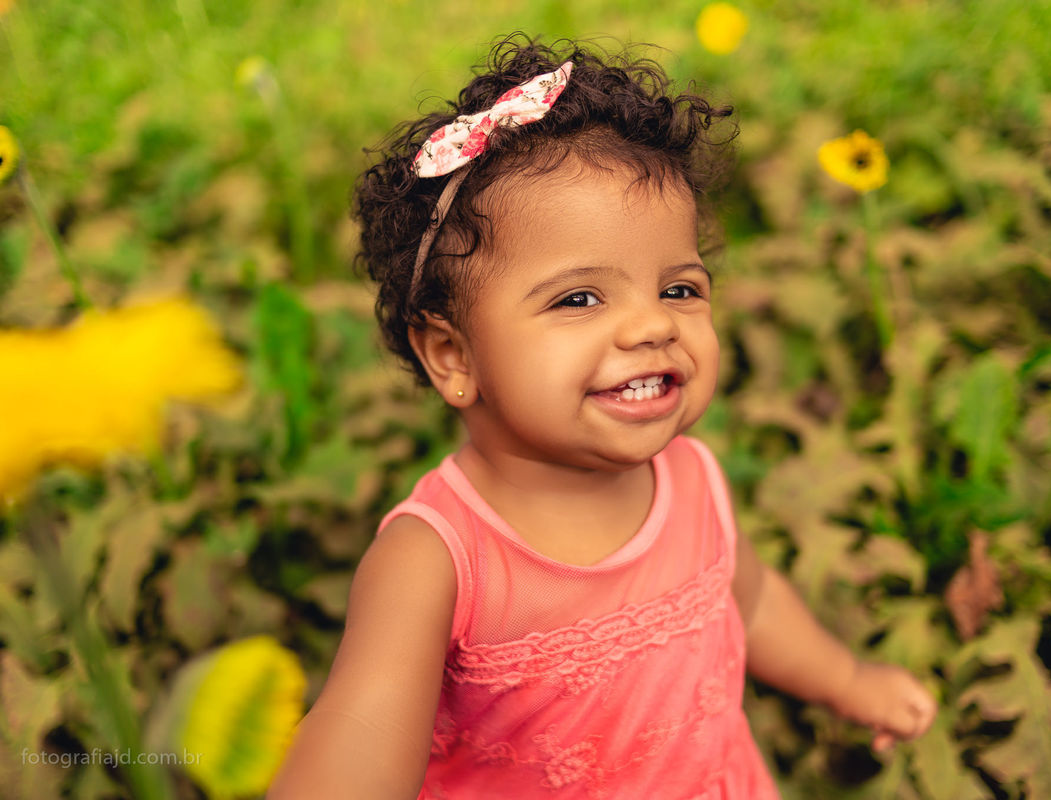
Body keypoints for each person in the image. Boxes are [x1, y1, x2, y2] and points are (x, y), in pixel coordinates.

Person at [269, 35, 936, 799]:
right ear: (453, 355)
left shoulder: (692, 480)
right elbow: (361, 730)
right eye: (580, 298)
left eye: (679, 290)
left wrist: (848, 680)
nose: (652, 325)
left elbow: (749, 602)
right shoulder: (436, 561)